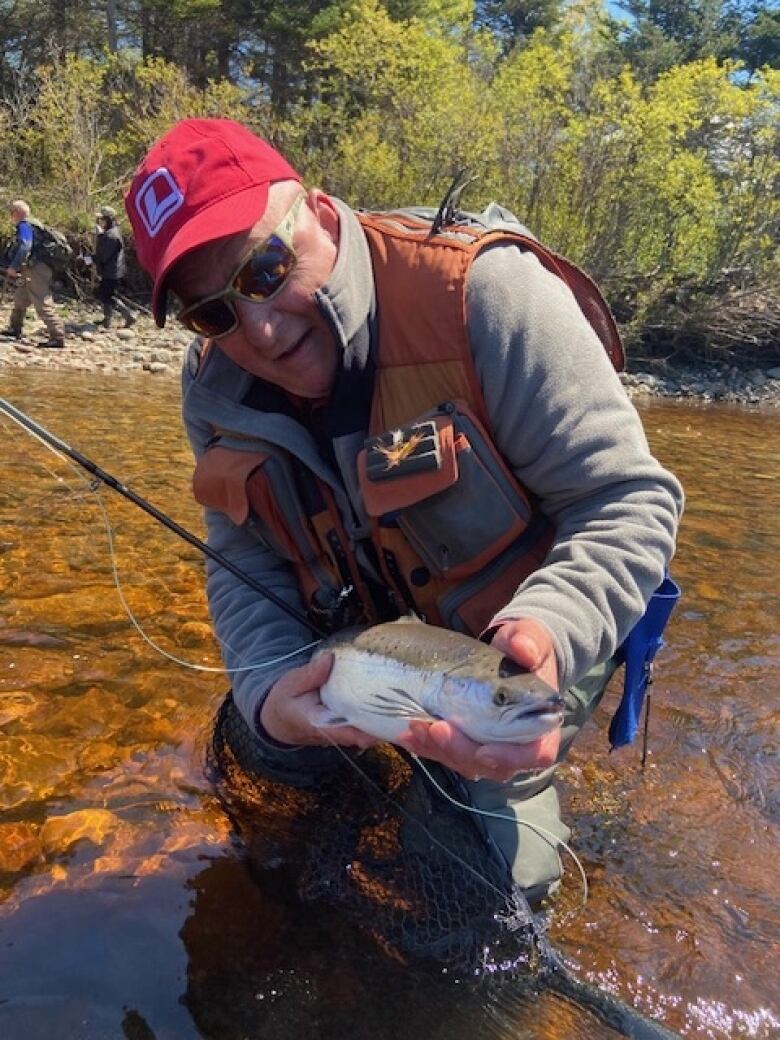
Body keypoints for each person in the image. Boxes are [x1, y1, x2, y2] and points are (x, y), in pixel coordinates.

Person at [125, 119, 684, 903]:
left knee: (476, 888)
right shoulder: (213, 387)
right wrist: (270, 693)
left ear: (319, 214)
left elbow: (627, 500)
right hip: (362, 650)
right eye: (212, 313)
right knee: (268, 760)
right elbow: (243, 555)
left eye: (265, 268)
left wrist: (552, 631)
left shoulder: (485, 297)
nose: (258, 327)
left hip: (520, 642)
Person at [0, 199, 66, 348]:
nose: (11, 216)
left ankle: (57, 336)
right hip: (34, 268)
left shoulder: (25, 225)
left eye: (11, 213)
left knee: (41, 300)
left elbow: (25, 246)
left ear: (16, 213)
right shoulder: (35, 225)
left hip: (36, 269)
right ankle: (14, 328)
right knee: (20, 297)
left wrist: (13, 266)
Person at [93, 205, 136, 330]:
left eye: (102, 219)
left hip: (111, 271)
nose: (99, 221)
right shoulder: (112, 232)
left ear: (108, 220)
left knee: (106, 296)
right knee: (106, 293)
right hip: (113, 270)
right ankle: (107, 320)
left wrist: (90, 259)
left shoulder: (110, 236)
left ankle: (128, 315)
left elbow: (103, 256)